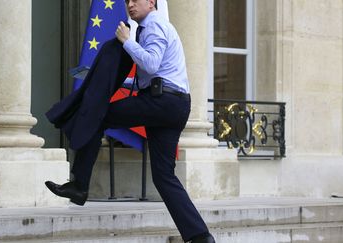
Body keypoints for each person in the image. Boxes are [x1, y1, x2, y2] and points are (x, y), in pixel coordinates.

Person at [45, 0, 215, 242]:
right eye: (127, 1)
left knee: (99, 115)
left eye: (136, 0)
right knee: (164, 176)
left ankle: (80, 185)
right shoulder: (152, 27)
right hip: (173, 104)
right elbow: (153, 71)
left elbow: (151, 63)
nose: (130, 5)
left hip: (162, 102)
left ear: (152, 2)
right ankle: (200, 236)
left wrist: (127, 41)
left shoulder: (154, 26)